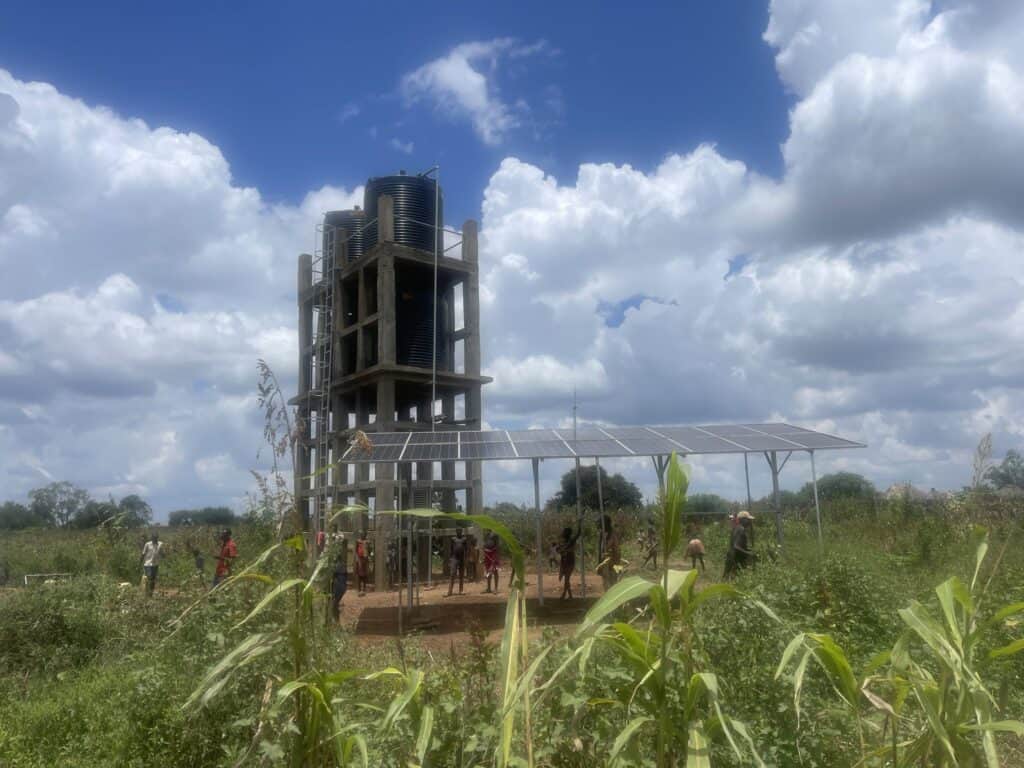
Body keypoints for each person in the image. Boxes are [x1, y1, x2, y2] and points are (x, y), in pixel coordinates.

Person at [724, 511, 755, 578]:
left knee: (726, 580)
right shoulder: (741, 530)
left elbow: (735, 544)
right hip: (736, 560)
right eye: (748, 520)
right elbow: (736, 546)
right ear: (743, 520)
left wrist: (747, 549)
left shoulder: (736, 528)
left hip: (731, 558)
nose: (750, 522)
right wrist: (749, 553)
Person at [558, 523, 582, 600]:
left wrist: (580, 523)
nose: (562, 533)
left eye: (564, 532)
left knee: (566, 579)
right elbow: (559, 550)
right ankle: (569, 595)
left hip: (569, 562)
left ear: (567, 533)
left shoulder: (571, 541)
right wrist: (561, 551)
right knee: (566, 579)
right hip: (564, 562)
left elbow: (578, 534)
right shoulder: (564, 541)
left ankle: (565, 594)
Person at [597, 515, 621, 589]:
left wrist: (616, 562)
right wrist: (599, 562)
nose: (599, 524)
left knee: (613, 581)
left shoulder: (613, 533)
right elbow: (600, 549)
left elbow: (616, 548)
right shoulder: (602, 534)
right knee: (605, 582)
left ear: (606, 523)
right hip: (605, 561)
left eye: (601, 523)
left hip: (613, 560)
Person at [329, 538, 348, 625]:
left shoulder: (337, 565)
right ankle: (337, 622)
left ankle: (336, 623)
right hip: (341, 587)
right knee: (335, 605)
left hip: (339, 587)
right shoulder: (341, 564)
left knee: (334, 605)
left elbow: (333, 575)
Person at [140, 532, 163, 596]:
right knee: (149, 577)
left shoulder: (160, 544)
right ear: (152, 538)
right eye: (154, 538)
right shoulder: (147, 544)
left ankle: (150, 593)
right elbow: (143, 553)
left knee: (153, 579)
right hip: (148, 564)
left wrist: (165, 556)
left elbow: (161, 552)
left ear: (157, 538)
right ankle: (146, 592)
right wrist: (140, 562)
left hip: (155, 564)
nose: (155, 539)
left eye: (156, 538)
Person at [447, 526, 468, 596]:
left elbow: (466, 550)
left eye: (460, 530)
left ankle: (461, 590)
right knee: (452, 574)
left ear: (462, 531)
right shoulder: (453, 539)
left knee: (461, 575)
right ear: (456, 531)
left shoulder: (464, 539)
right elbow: (451, 549)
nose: (459, 531)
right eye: (458, 530)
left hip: (461, 558)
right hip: (454, 558)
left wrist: (466, 559)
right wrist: (450, 559)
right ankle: (450, 591)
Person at [355, 531, 370, 596]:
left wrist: (368, 556)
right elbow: (356, 550)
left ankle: (364, 588)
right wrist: (357, 558)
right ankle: (359, 589)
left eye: (363, 535)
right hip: (359, 559)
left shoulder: (367, 542)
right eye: (361, 534)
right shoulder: (358, 541)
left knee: (365, 575)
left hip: (365, 558)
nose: (362, 536)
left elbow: (369, 550)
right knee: (359, 574)